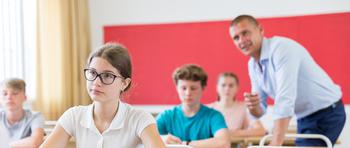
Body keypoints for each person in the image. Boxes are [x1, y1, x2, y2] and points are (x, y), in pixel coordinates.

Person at [228, 14, 346, 146]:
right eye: (236, 37)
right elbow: (260, 109)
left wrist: (275, 143)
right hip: (304, 117)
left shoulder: (281, 49)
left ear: (260, 30)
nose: (241, 40)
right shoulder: (252, 64)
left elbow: (285, 99)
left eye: (245, 33)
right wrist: (253, 107)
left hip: (327, 112)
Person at [40, 43, 165, 148]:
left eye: (107, 76)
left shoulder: (139, 119)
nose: (96, 82)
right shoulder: (74, 116)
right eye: (92, 73)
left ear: (124, 83)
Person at [156, 64, 230, 148]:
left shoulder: (214, 116)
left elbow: (224, 143)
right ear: (177, 88)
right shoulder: (166, 115)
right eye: (183, 88)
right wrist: (163, 138)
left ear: (203, 88)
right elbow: (142, 138)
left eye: (193, 88)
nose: (188, 93)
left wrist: (185, 144)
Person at [207, 72, 266, 138]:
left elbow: (260, 130)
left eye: (231, 85)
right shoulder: (208, 109)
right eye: (223, 85)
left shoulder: (245, 108)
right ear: (217, 87)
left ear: (237, 88)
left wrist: (230, 133)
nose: (227, 89)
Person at [0, 78, 45, 147]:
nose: (9, 97)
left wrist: (4, 145)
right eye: (5, 94)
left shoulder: (35, 116)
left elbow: (35, 143)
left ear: (25, 97)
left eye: (14, 93)